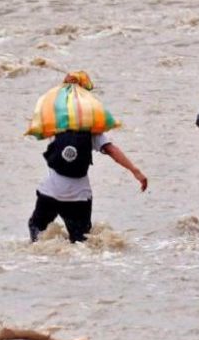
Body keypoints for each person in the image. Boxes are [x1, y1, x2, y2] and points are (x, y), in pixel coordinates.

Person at [28, 73, 148, 243]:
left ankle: (43, 265)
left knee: (36, 229)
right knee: (81, 241)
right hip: (79, 197)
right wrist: (135, 171)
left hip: (50, 193)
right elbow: (112, 151)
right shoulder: (92, 131)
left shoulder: (54, 125)